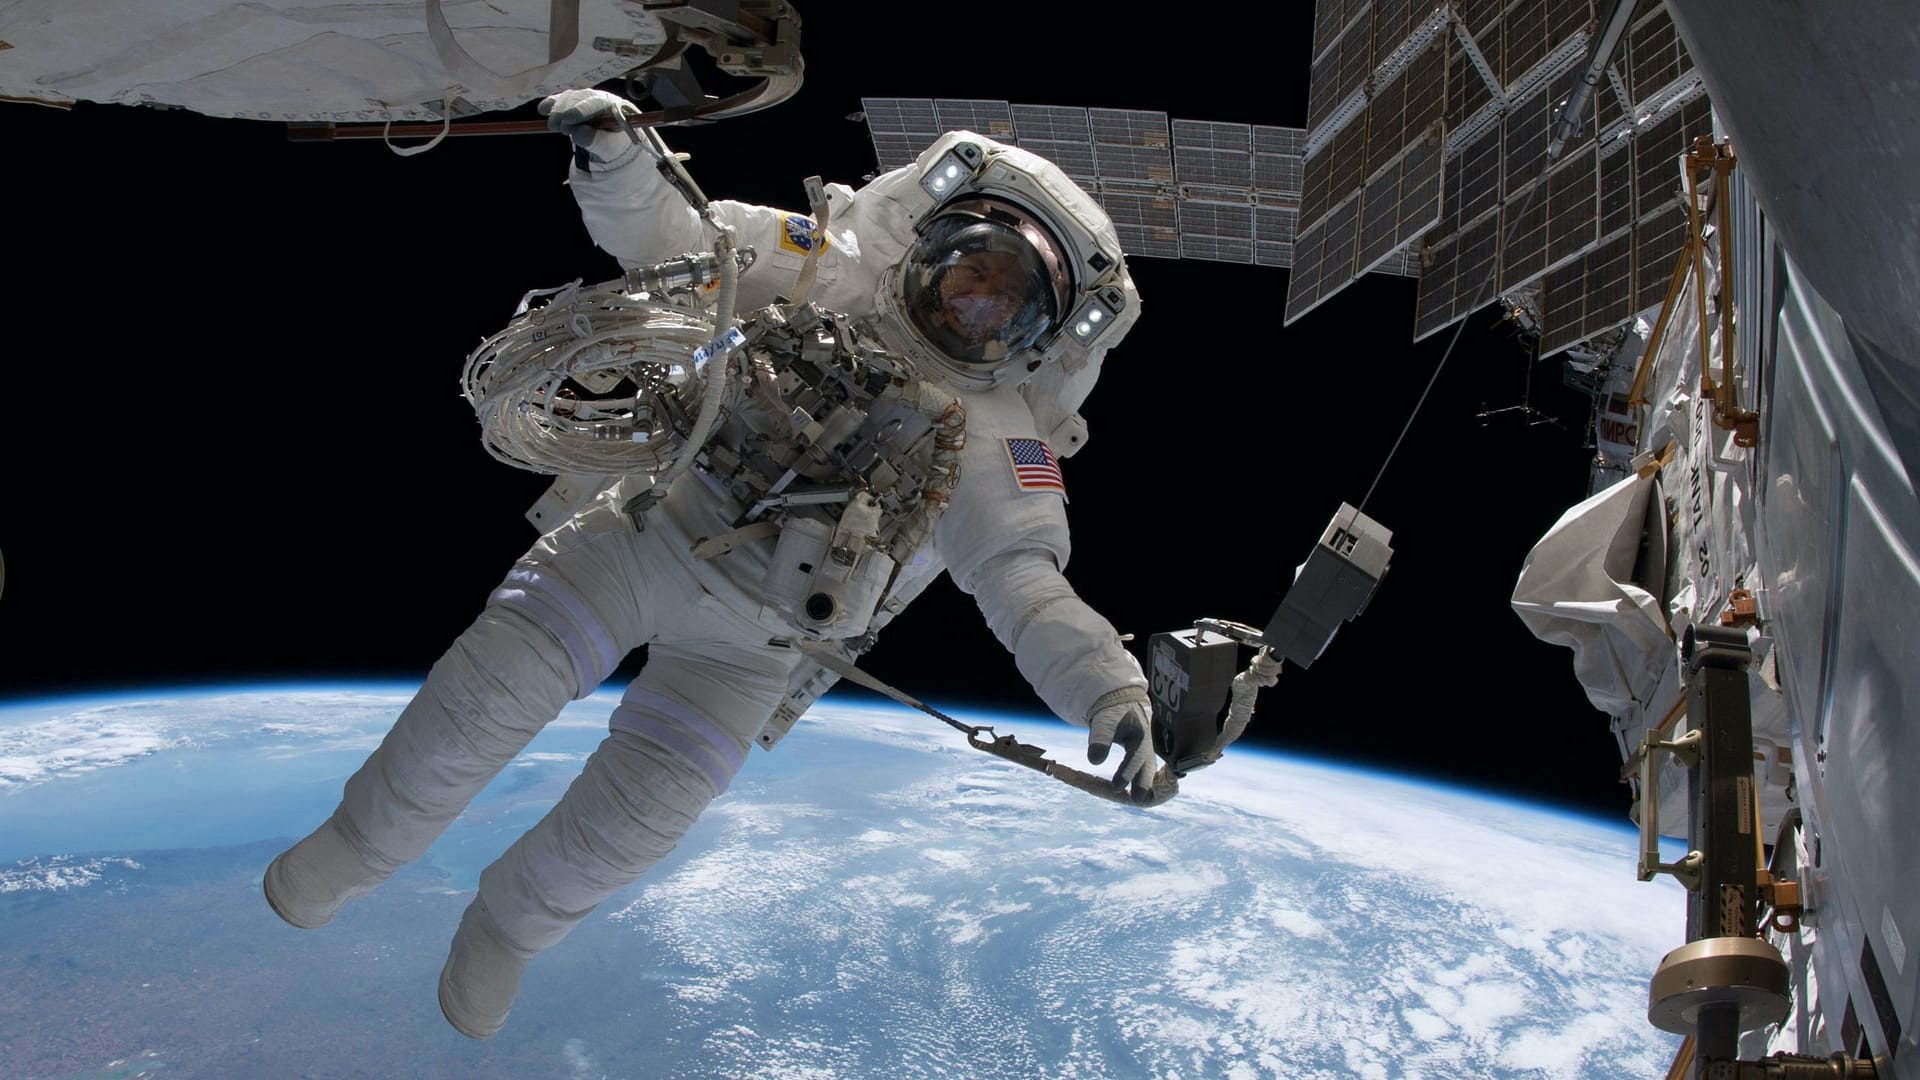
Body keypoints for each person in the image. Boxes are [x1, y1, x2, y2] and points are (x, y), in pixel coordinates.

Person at [262, 88, 1156, 1039]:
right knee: (482, 703)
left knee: (631, 822)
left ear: (1035, 335)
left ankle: (506, 933)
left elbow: (1025, 582)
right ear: (932, 244)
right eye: (975, 265)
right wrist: (617, 156)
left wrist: (1110, 693)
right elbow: (677, 240)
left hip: (759, 645)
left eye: (1008, 297)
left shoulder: (1001, 437)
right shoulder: (824, 266)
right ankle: (355, 849)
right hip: (649, 534)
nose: (979, 298)